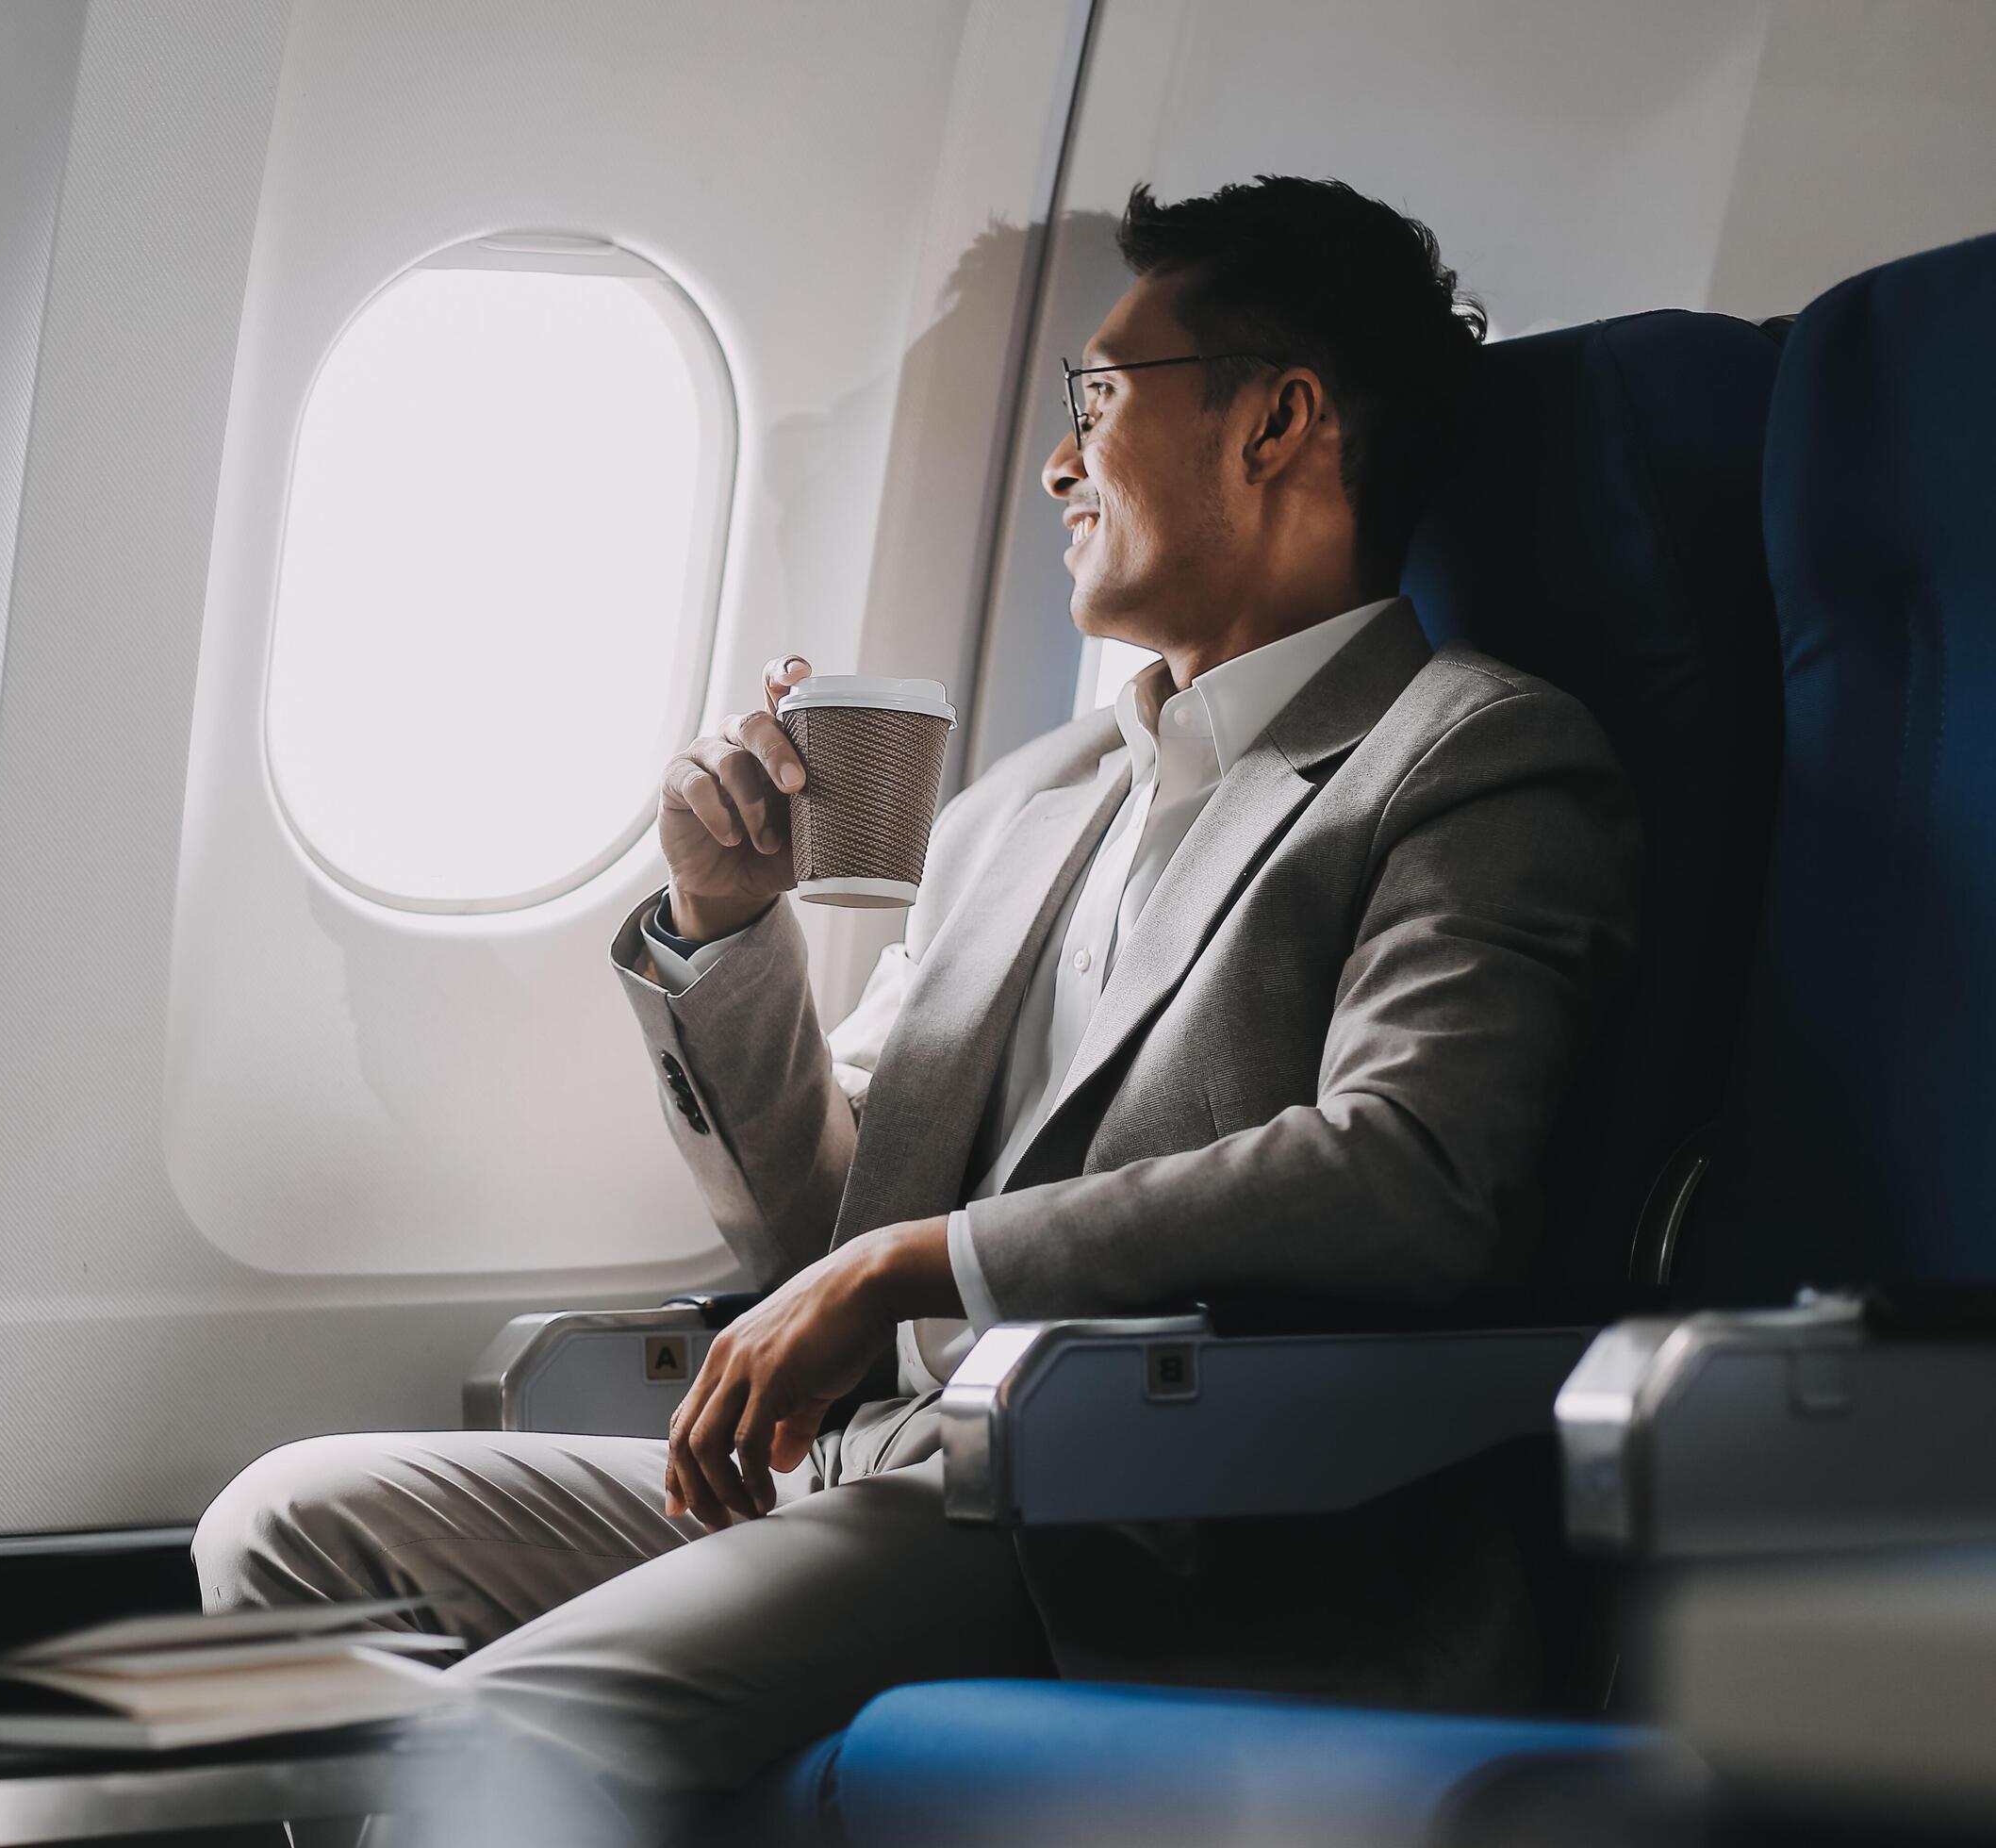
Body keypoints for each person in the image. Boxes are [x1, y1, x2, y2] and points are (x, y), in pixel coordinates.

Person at [195, 175, 1641, 1833]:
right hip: (873, 1471)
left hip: (1145, 1508)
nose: (1055, 463)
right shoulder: (1027, 801)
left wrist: (928, 1263)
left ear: (1282, 421)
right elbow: (822, 1221)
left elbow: (1416, 1176)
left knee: (517, 1727)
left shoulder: (1470, 759)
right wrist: (723, 929)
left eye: (1097, 401)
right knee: (291, 1525)